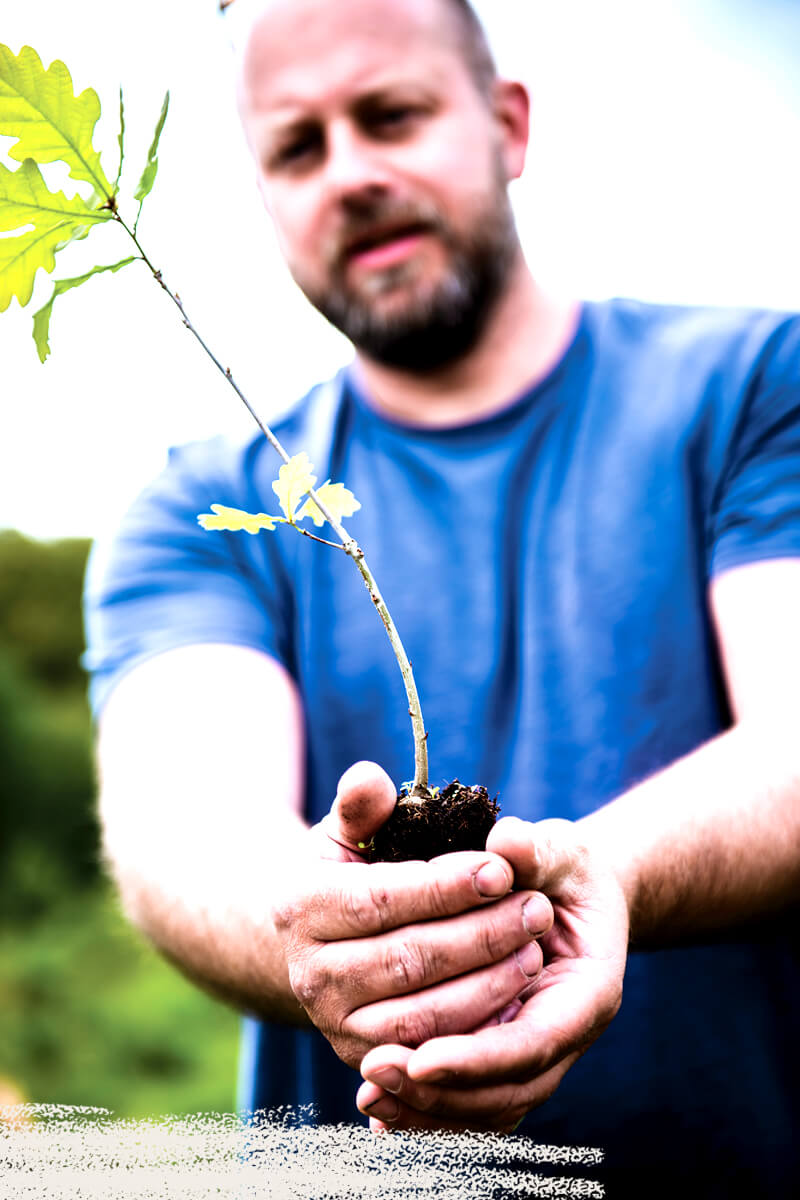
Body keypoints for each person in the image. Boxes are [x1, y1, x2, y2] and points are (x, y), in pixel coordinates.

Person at [85, 0, 800, 1193]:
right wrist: (306, 920)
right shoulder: (197, 502)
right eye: (297, 148)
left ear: (506, 124)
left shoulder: (753, 389)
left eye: (391, 115)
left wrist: (592, 877)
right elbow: (182, 823)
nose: (351, 174)